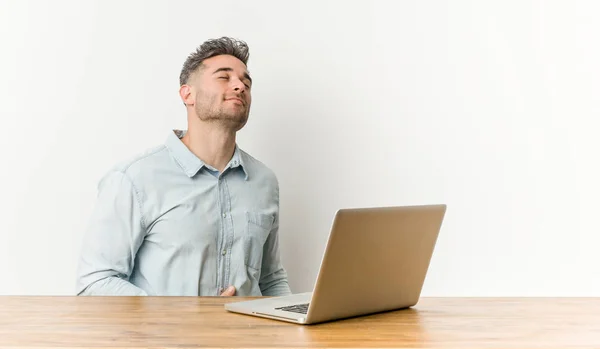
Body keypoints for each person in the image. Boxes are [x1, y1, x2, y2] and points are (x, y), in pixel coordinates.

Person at [75, 37, 291, 297]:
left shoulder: (264, 182)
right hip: (167, 338)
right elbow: (95, 282)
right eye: (224, 77)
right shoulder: (134, 178)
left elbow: (271, 280)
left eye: (246, 82)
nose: (239, 86)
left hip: (249, 337)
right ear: (187, 93)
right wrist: (180, 316)